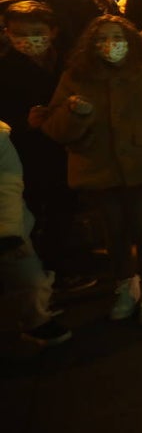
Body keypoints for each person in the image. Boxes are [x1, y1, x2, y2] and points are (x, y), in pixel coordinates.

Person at [40, 15, 142, 325]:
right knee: (114, 233)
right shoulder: (75, 77)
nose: (110, 45)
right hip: (98, 168)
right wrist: (75, 113)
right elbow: (56, 129)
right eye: (101, 39)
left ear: (130, 41)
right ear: (90, 45)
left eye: (117, 38)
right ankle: (126, 287)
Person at [0, 1, 96, 293]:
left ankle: (57, 267)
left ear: (53, 32)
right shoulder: (5, 67)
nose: (29, 39)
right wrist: (22, 122)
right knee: (30, 214)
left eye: (37, 32)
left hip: (64, 148)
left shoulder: (68, 62)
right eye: (19, 32)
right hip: (24, 152)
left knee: (62, 209)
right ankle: (32, 279)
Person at [0, 120, 74, 347]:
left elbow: (6, 186)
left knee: (26, 272)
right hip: (9, 226)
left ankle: (35, 318)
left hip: (6, 226)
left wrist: (8, 230)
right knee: (25, 274)